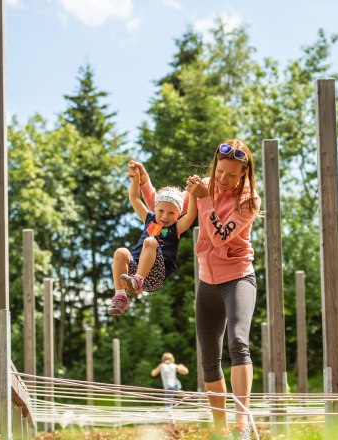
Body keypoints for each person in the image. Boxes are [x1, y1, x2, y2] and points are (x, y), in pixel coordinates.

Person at [136, 139, 260, 440]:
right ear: (214, 166)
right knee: (208, 358)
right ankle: (222, 430)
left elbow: (220, 237)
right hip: (207, 281)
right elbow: (166, 208)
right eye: (220, 171)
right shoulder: (204, 184)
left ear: (244, 173)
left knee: (238, 343)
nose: (223, 179)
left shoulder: (249, 201)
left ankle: (242, 424)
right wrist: (144, 182)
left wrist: (205, 200)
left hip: (238, 277)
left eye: (231, 175)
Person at [108, 161, 197, 317]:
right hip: (136, 267)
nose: (164, 217)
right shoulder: (150, 220)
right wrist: (136, 180)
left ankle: (138, 280)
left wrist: (193, 194)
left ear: (178, 215)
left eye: (171, 213)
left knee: (150, 241)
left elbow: (191, 214)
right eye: (161, 211)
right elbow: (135, 199)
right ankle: (120, 296)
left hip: (157, 273)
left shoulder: (175, 228)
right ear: (154, 209)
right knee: (121, 252)